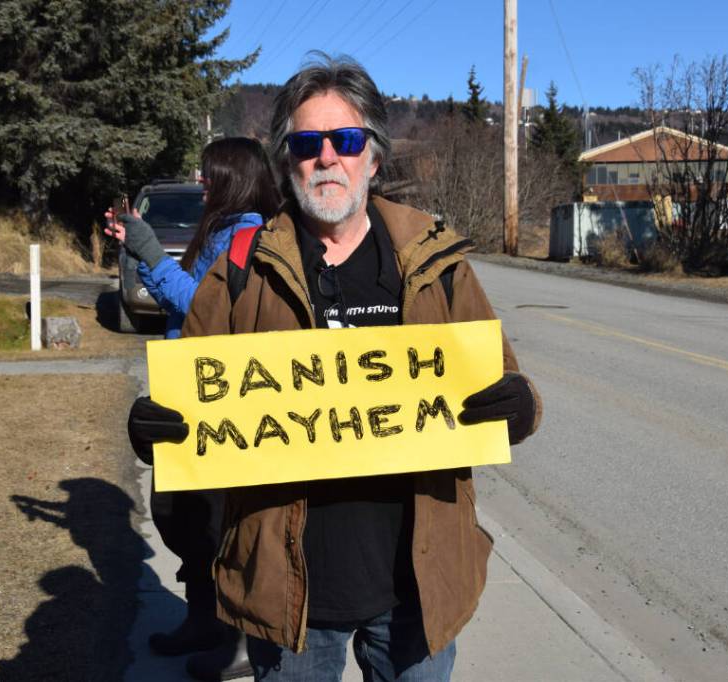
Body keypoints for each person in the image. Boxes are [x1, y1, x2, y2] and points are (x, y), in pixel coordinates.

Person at [128, 54, 542, 682]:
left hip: (416, 588)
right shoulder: (242, 269)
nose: (327, 158)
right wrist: (158, 430)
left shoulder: (434, 260)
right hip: (288, 593)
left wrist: (520, 405)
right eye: (307, 143)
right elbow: (192, 402)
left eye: (345, 140)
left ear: (372, 156)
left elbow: (500, 377)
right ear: (286, 160)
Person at [108, 137, 281, 682]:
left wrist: (153, 253)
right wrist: (141, 252)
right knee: (177, 514)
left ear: (235, 177)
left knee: (213, 522)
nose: (201, 183)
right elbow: (178, 304)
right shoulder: (219, 230)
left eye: (209, 174)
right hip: (187, 392)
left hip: (220, 401)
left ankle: (239, 637)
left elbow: (208, 309)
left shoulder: (249, 236)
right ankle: (204, 619)